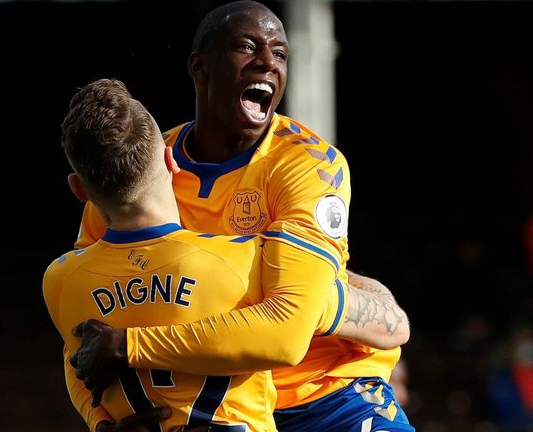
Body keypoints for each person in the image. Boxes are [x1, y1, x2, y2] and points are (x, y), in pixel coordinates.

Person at [72, 2, 413, 431]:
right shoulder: (142, 164)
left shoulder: (308, 165)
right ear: (200, 67)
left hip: (326, 394)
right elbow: (85, 326)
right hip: (212, 406)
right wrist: (101, 421)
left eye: (280, 53)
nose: (268, 62)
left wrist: (131, 344)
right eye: (248, 47)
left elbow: (286, 333)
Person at [44, 78, 279, 431]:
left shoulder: (61, 281)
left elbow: (76, 367)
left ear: (78, 189)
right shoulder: (244, 261)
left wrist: (99, 423)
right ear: (172, 160)